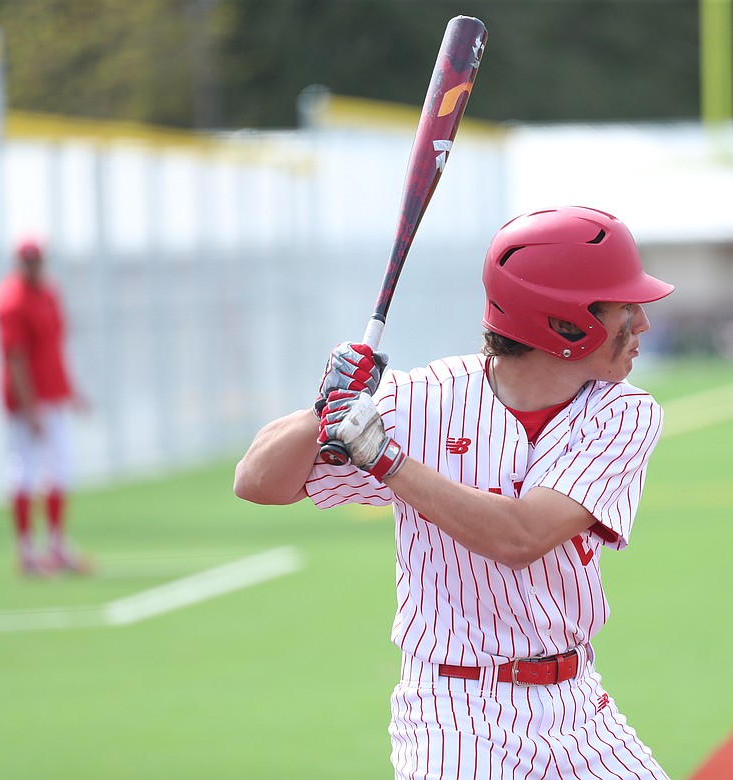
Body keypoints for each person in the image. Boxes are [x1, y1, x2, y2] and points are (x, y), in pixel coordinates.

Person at [235, 206, 674, 779]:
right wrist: (323, 409)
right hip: (453, 715)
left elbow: (523, 536)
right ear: (565, 322)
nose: (641, 322)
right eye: (624, 307)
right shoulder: (422, 399)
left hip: (577, 707)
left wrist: (388, 463)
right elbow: (257, 481)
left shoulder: (623, 414)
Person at [0, 235, 91, 576]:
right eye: (27, 261)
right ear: (18, 263)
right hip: (27, 403)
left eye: (37, 261)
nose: (33, 267)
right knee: (25, 472)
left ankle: (57, 544)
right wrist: (29, 407)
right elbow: (15, 357)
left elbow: (55, 347)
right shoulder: (10, 300)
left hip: (53, 395)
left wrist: (71, 390)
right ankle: (26, 551)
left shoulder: (49, 293)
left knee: (60, 468)